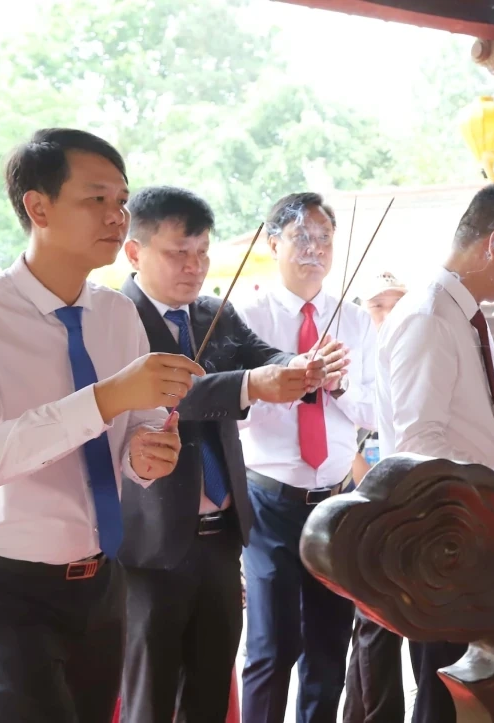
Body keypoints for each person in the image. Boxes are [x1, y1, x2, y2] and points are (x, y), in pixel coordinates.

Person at [0, 128, 201, 723]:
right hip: (2, 588)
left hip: (101, 580)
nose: (117, 216)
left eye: (122, 200)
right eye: (96, 199)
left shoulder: (116, 313)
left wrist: (149, 454)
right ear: (38, 206)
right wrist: (103, 400)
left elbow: (137, 433)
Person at [118, 186, 336, 723]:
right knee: (151, 694)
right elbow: (173, 391)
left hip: (220, 534)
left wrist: (301, 365)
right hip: (147, 541)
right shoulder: (115, 318)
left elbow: (263, 357)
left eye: (202, 253)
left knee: (212, 687)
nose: (194, 267)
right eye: (177, 253)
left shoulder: (215, 311)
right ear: (133, 252)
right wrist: (253, 385)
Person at [376, 182, 494, 723]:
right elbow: (419, 445)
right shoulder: (428, 316)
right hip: (443, 534)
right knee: (444, 689)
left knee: (477, 686)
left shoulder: (462, 314)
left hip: (476, 525)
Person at [236, 191, 376, 723]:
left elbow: (374, 413)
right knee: (271, 648)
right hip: (269, 500)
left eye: (324, 238)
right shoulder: (246, 315)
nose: (314, 248)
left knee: (328, 646)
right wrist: (285, 380)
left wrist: (336, 385)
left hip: (336, 502)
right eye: (301, 237)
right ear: (274, 243)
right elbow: (230, 412)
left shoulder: (355, 321)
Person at [342, 271, 407, 723]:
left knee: (384, 621)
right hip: (368, 507)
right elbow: (348, 449)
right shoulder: (350, 366)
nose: (388, 314)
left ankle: (358, 713)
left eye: (397, 301)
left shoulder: (415, 355)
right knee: (376, 621)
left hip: (411, 508)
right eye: (377, 305)